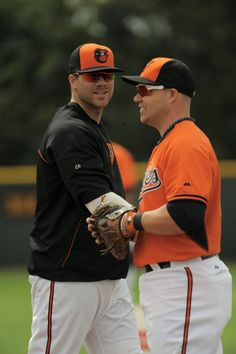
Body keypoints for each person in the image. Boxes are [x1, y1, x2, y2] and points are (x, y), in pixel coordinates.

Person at [88, 57, 232, 354]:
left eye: (145, 90)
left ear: (172, 94)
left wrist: (129, 222)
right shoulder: (169, 142)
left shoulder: (185, 143)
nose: (136, 97)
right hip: (177, 280)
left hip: (184, 279)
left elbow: (185, 215)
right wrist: (130, 226)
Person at [27, 42, 143, 354]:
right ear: (73, 80)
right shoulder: (69, 130)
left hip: (108, 276)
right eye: (92, 76)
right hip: (67, 277)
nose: (103, 82)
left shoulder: (92, 127)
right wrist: (155, 221)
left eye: (108, 75)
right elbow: (102, 204)